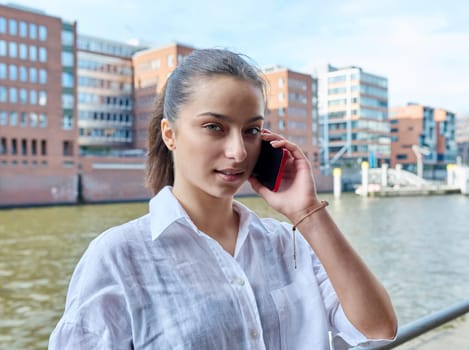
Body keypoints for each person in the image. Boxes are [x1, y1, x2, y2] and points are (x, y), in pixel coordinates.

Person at [49, 48, 397, 349]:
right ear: (170, 134)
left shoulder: (284, 244)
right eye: (214, 126)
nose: (238, 152)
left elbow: (378, 329)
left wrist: (307, 212)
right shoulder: (118, 257)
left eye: (251, 131)